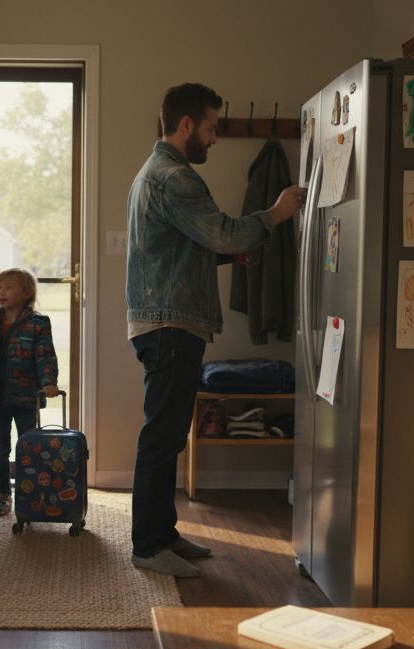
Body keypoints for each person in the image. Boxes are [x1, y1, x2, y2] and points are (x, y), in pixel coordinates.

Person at [125, 83, 306, 578]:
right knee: (161, 437)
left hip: (167, 320)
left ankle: (164, 535)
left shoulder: (156, 172)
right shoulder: (174, 177)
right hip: (170, 324)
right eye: (211, 128)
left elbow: (187, 245)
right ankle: (147, 546)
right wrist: (275, 214)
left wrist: (226, 254)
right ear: (186, 126)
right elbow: (220, 230)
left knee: (168, 436)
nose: (215, 138)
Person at [0, 267, 59, 517]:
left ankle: (31, 492)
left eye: (9, 287)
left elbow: (45, 355)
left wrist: (48, 382)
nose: (2, 293)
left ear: (26, 292)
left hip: (26, 398)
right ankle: (4, 494)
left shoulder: (38, 323)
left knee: (28, 446)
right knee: (0, 448)